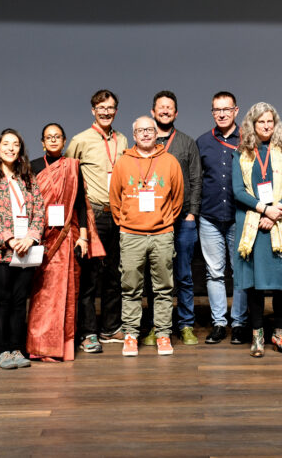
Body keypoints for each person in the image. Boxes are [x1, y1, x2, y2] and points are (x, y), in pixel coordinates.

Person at [232, 102, 282, 357]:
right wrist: (264, 209)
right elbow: (238, 190)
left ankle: (280, 334)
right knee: (254, 283)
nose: (265, 126)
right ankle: (258, 335)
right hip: (252, 224)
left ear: (275, 124)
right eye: (260, 122)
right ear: (252, 125)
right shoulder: (241, 153)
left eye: (269, 121)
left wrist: (276, 211)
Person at [109, 116, 184, 356]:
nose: (145, 134)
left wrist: (164, 220)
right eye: (140, 130)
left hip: (162, 234)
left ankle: (163, 334)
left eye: (149, 129)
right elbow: (114, 199)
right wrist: (127, 222)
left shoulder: (170, 161)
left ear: (156, 133)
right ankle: (131, 335)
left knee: (163, 289)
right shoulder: (123, 162)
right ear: (134, 135)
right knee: (130, 288)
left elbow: (178, 198)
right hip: (131, 235)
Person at [27, 123, 102, 362]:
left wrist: (83, 236)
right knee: (43, 293)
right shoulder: (33, 167)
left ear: (64, 140)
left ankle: (64, 343)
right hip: (42, 237)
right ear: (42, 142)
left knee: (68, 291)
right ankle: (40, 344)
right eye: (48, 137)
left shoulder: (72, 167)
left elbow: (80, 202)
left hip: (69, 236)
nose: (53, 140)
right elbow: (29, 204)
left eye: (57, 136)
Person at [65, 89, 128, 353]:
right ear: (93, 110)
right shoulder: (80, 140)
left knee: (115, 275)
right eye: (101, 108)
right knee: (90, 277)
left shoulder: (123, 140)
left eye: (110, 108)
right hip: (93, 215)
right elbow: (68, 178)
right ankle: (88, 332)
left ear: (116, 111)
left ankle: (110, 328)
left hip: (118, 215)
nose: (106, 112)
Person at [0, 129, 45, 369]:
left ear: (20, 150)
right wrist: (9, 239)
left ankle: (17, 349)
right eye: (6, 144)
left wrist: (31, 237)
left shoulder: (28, 178)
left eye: (15, 144)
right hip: (1, 251)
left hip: (26, 249)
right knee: (4, 300)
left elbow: (39, 211)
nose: (10, 148)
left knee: (19, 301)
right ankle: (3, 350)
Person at [147, 90, 202, 346]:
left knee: (184, 275)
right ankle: (158, 325)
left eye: (170, 107)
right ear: (153, 112)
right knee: (156, 276)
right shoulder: (145, 142)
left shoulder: (187, 143)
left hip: (182, 219)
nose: (165, 111)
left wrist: (191, 214)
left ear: (176, 113)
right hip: (154, 220)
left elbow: (196, 180)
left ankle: (186, 324)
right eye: (161, 107)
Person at [195, 91, 249, 345]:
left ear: (236, 111)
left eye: (227, 109)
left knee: (240, 272)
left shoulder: (248, 140)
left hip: (239, 216)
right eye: (217, 110)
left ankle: (239, 323)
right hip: (210, 217)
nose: (222, 114)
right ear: (212, 113)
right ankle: (219, 323)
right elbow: (197, 180)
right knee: (214, 273)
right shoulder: (203, 142)